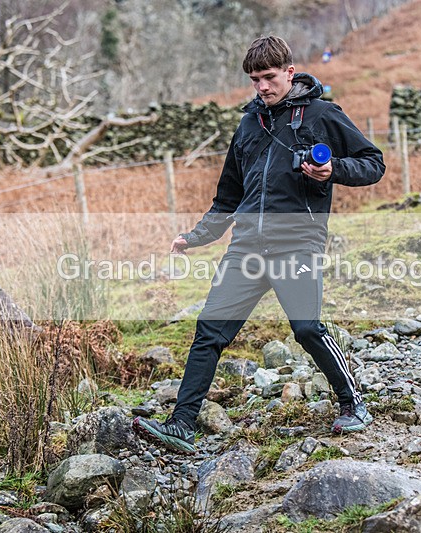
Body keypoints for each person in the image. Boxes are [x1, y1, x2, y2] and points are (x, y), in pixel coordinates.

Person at [132, 36, 385, 453]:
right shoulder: (249, 124)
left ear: (289, 72)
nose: (262, 87)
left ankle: (353, 403)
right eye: (254, 80)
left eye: (269, 77)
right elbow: (229, 196)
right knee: (209, 331)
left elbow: (373, 163)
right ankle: (181, 424)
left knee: (306, 328)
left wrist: (332, 170)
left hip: (298, 243)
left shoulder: (323, 115)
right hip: (246, 247)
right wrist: (197, 236)